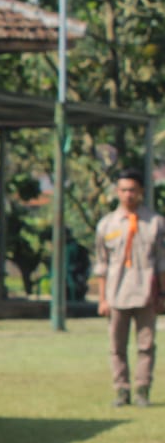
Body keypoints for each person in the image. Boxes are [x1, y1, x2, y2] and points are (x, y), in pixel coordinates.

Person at [92, 167, 165, 407]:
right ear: (117, 191)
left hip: (146, 294)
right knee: (117, 346)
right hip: (116, 294)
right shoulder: (106, 225)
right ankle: (122, 390)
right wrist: (102, 299)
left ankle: (143, 390)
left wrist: (162, 294)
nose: (128, 195)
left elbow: (162, 263)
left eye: (132, 190)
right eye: (123, 190)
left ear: (141, 191)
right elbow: (102, 265)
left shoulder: (155, 223)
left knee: (146, 345)